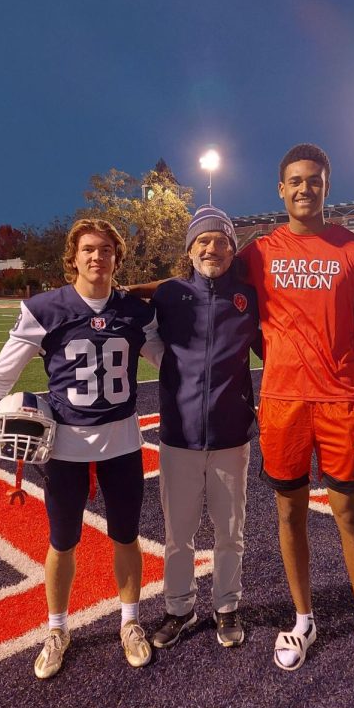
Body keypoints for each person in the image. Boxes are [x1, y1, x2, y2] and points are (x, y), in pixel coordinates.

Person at [0, 217, 164, 679]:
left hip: (122, 440)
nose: (98, 258)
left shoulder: (134, 312)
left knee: (126, 535)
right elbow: (2, 373)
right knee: (62, 540)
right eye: (89, 250)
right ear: (72, 257)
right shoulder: (46, 309)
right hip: (64, 446)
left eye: (107, 250)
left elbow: (167, 360)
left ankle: (130, 621)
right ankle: (57, 628)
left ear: (117, 257)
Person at [237, 143, 354, 676]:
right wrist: (122, 291)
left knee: (350, 513)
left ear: (327, 186)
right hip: (282, 402)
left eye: (314, 180)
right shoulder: (258, 252)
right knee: (290, 512)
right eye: (295, 181)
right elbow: (205, 282)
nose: (304, 188)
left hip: (340, 403)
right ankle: (303, 618)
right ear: (280, 189)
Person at [149, 205, 260, 650]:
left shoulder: (248, 297)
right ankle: (179, 609)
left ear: (233, 249)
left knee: (230, 531)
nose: (212, 247)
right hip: (178, 435)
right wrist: (169, 367)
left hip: (232, 435)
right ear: (190, 249)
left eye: (221, 240)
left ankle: (227, 606)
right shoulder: (169, 294)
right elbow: (144, 335)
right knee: (178, 535)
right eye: (203, 241)